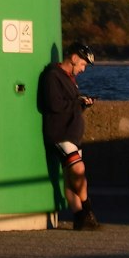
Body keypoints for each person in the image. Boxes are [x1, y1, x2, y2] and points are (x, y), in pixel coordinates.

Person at [39, 42, 100, 229]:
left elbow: (69, 105)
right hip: (60, 134)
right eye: (82, 64)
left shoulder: (68, 78)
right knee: (78, 170)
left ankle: (79, 216)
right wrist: (77, 102)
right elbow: (55, 105)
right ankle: (87, 208)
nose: (83, 69)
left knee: (69, 176)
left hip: (71, 134)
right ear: (73, 58)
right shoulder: (53, 76)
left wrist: (82, 103)